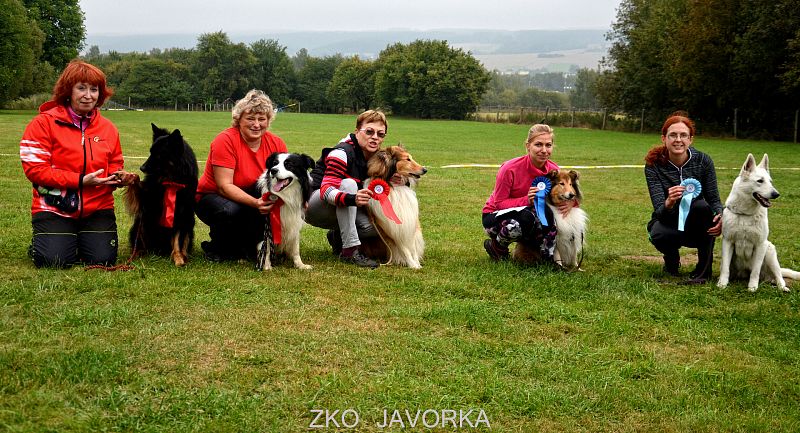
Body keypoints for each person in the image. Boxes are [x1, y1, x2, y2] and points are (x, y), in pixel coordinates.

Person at [20, 60, 138, 268]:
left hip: (98, 207)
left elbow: (114, 163)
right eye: (81, 88)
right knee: (53, 260)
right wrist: (80, 181)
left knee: (103, 260)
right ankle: (46, 244)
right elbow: (35, 170)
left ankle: (73, 241)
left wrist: (118, 177)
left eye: (94, 90)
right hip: (55, 207)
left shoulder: (108, 128)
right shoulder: (42, 123)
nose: (88, 95)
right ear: (68, 90)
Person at [195, 89, 287, 261]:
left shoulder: (276, 143)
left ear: (268, 120)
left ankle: (260, 247)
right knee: (231, 210)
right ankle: (218, 247)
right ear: (238, 120)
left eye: (262, 119)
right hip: (214, 197)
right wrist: (256, 203)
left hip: (254, 196)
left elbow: (285, 179)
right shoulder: (225, 140)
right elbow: (224, 186)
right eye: (250, 118)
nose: (256, 124)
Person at [644, 112, 723, 284]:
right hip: (669, 220)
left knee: (703, 207)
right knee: (658, 233)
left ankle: (704, 271)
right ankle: (672, 260)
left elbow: (714, 199)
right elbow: (659, 210)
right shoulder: (653, 165)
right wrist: (669, 202)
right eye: (673, 135)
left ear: (690, 139)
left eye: (683, 135)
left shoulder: (703, 161)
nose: (678, 139)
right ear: (664, 138)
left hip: (699, 222)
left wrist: (720, 216)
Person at [306, 110, 389, 268]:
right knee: (349, 184)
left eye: (380, 134)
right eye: (369, 132)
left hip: (344, 205)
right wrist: (353, 198)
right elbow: (326, 191)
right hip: (312, 205)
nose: (375, 137)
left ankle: (337, 237)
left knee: (376, 227)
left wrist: (401, 180)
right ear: (357, 131)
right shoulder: (342, 153)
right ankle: (350, 251)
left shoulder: (376, 156)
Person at [482, 124, 573, 262]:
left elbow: (565, 191)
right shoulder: (509, 169)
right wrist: (527, 200)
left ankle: (549, 258)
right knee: (525, 219)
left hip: (532, 213)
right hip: (494, 216)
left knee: (548, 215)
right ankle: (497, 247)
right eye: (538, 145)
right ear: (528, 146)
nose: (544, 150)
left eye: (548, 145)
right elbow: (499, 203)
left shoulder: (554, 170)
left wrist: (571, 203)